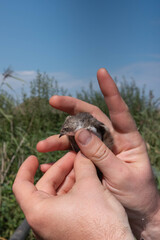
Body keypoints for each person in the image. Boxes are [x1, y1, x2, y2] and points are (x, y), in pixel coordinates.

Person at [13, 68, 160, 240]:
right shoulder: (75, 130)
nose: (64, 134)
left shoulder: (83, 128)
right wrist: (151, 216)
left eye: (66, 131)